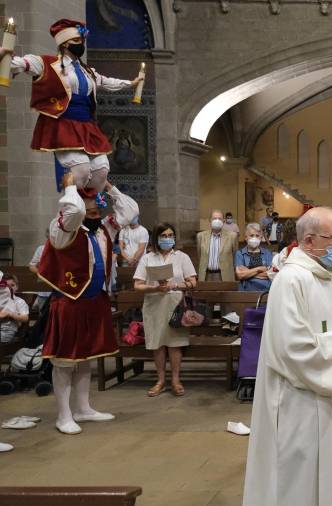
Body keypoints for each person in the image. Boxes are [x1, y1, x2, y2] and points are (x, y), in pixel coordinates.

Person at [243, 207, 332, 506]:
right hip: (301, 403)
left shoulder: (323, 274)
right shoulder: (291, 280)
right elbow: (291, 348)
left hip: (330, 394)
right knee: (302, 481)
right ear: (309, 240)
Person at [38, 172, 138, 435]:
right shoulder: (62, 229)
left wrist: (107, 185)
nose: (95, 217)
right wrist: (71, 187)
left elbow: (130, 210)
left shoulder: (105, 228)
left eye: (97, 213)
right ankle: (64, 415)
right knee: (65, 361)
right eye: (90, 213)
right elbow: (73, 211)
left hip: (95, 300)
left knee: (86, 358)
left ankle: (83, 408)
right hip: (70, 302)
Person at [0, 19, 142, 192]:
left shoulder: (87, 70)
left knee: (101, 170)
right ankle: (67, 212)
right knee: (81, 170)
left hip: (87, 126)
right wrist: (3, 54)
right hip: (63, 124)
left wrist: (131, 83)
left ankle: (86, 209)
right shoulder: (47, 64)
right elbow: (19, 64)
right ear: (65, 44)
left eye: (81, 41)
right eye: (76, 41)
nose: (80, 44)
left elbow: (106, 81)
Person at [133, 223, 197, 397]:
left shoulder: (182, 257)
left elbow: (192, 282)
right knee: (158, 343)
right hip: (154, 304)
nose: (168, 238)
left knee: (174, 344)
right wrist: (154, 288)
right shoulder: (147, 258)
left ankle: (176, 380)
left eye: (170, 235)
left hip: (175, 304)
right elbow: (137, 285)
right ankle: (160, 380)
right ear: (156, 238)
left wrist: (174, 284)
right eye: (164, 236)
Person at [197, 210, 238, 282]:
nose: (217, 220)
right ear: (210, 220)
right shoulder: (201, 236)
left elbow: (235, 256)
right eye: (214, 218)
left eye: (219, 218)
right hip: (205, 276)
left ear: (223, 220)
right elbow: (199, 256)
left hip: (225, 276)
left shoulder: (232, 236)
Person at [234, 223, 273, 292]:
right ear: (246, 237)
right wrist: (259, 269)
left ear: (261, 238)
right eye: (251, 235)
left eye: (257, 236)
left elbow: (271, 274)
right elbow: (240, 275)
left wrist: (248, 272)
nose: (254, 238)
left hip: (265, 292)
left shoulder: (267, 253)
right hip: (245, 292)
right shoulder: (239, 254)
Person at [0, 274, 29, 344]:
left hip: (7, 330)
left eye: (12, 285)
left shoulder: (19, 301)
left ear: (17, 287)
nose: (10, 288)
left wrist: (10, 314)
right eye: (6, 286)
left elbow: (25, 318)